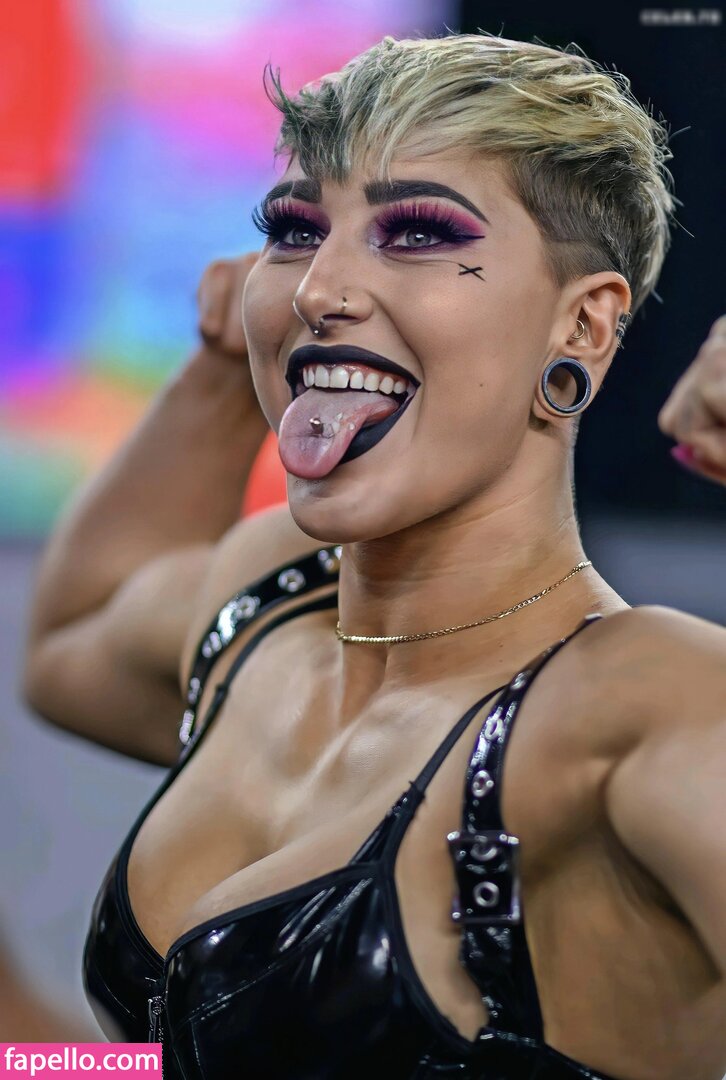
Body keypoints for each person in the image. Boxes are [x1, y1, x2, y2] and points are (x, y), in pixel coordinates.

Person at [22, 32, 726, 1080]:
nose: (319, 288)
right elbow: (71, 642)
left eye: (418, 233)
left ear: (582, 327)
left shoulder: (641, 700)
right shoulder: (265, 605)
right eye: (295, 231)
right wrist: (219, 367)